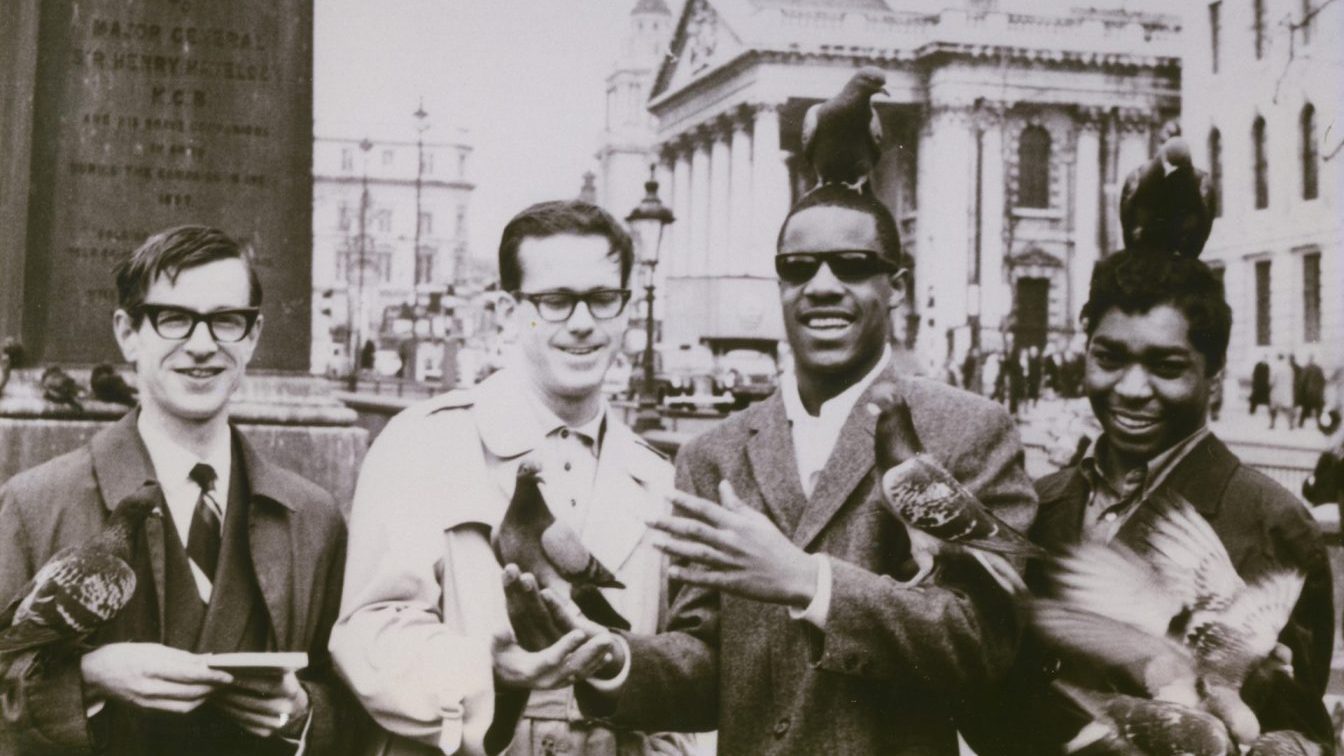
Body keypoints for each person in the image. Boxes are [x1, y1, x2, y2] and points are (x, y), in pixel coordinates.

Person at [569, 185, 1038, 754]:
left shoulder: (968, 429)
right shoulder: (712, 454)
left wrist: (808, 581)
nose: (822, 286)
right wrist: (611, 658)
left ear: (898, 288)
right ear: (782, 287)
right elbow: (707, 669)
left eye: (853, 266)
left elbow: (980, 643)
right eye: (798, 269)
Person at [330, 201, 693, 756]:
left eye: (602, 299)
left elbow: (683, 684)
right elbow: (371, 630)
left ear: (625, 310)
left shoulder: (660, 479)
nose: (582, 322)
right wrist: (491, 672)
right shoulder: (423, 442)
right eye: (554, 302)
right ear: (506, 311)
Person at [0, 226, 354, 755]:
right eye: (174, 319)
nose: (202, 345)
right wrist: (87, 679)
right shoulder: (34, 504)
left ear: (252, 336)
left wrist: (303, 714)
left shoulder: (313, 517)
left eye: (226, 321)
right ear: (128, 333)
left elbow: (357, 706)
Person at [965, 250, 1335, 753]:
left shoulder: (1275, 521)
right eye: (1109, 358)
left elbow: (1302, 732)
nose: (1132, 389)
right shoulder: (1038, 501)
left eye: (1166, 366)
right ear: (1086, 355)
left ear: (1215, 375)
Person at [1300, 353, 1326, 429]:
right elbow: (1323, 381)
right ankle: (1318, 423)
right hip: (1318, 393)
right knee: (1318, 408)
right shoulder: (1319, 368)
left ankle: (1301, 423)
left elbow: (1302, 381)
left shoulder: (1306, 368)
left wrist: (1302, 392)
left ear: (1309, 359)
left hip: (1309, 392)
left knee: (1306, 408)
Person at [1270, 352, 1295, 429]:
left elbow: (1271, 381)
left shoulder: (1275, 368)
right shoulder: (1289, 368)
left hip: (1277, 390)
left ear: (1277, 358)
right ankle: (1291, 424)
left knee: (1273, 408)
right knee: (1288, 408)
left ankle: (1272, 424)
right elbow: (1292, 380)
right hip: (1287, 391)